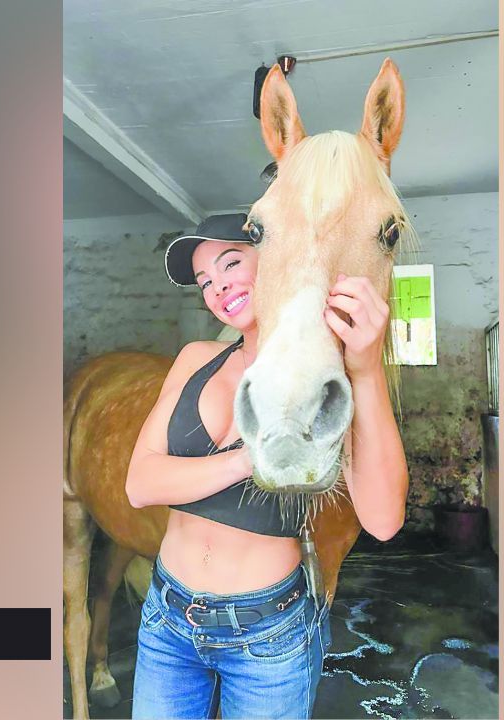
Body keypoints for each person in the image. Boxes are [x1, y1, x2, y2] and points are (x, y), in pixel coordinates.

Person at [125, 213, 408, 719]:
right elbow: (140, 484)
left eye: (230, 263)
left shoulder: (324, 378)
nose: (217, 288)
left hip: (268, 636)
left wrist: (365, 370)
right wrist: (256, 457)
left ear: (277, 258)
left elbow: (384, 521)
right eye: (205, 281)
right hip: (168, 618)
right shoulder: (196, 358)